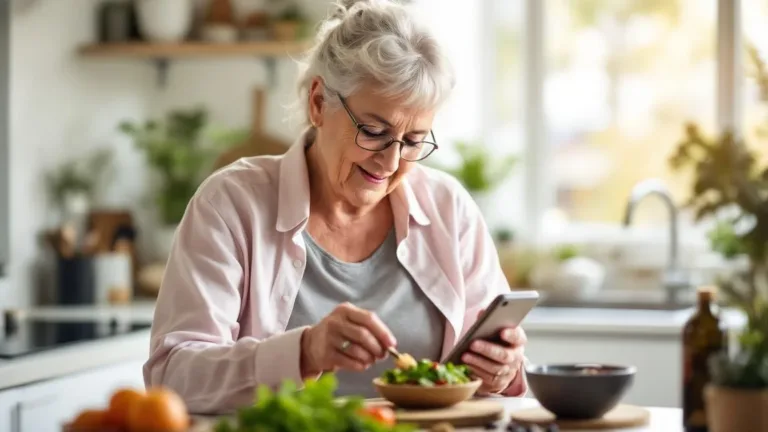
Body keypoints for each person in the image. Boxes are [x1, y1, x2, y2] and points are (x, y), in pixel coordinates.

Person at [144, 0, 529, 414]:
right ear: (317, 103)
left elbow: (495, 376)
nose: (392, 161)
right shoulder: (230, 204)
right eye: (374, 130)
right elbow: (173, 377)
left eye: (414, 140)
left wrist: (504, 370)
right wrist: (304, 352)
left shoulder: (449, 209)